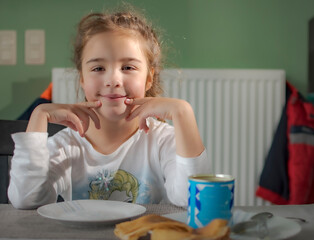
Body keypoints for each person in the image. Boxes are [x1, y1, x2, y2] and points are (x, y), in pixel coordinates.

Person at [8, 8, 209, 209]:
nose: (113, 80)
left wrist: (183, 113)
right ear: (82, 79)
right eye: (98, 68)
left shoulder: (164, 141)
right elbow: (26, 200)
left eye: (128, 67)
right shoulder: (65, 145)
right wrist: (39, 114)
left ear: (149, 78)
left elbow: (193, 199)